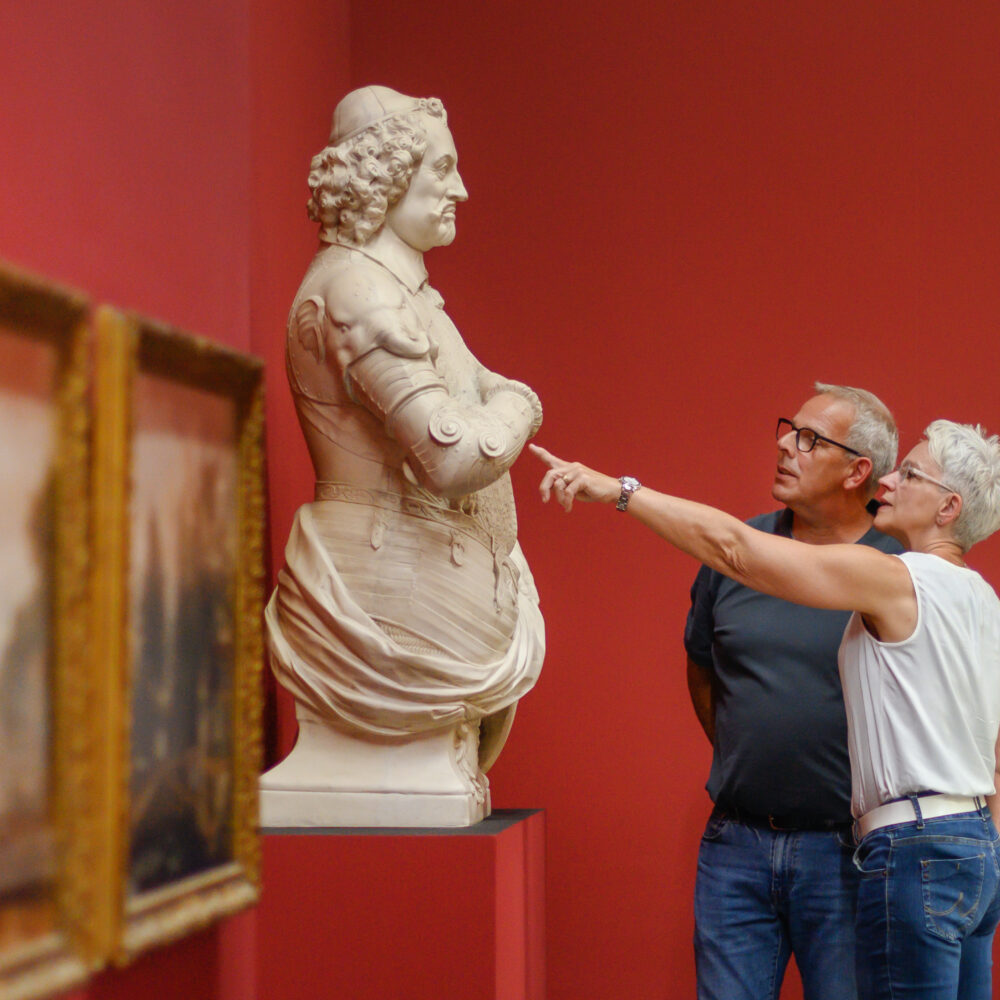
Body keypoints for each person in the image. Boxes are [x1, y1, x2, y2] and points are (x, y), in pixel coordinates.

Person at [531, 416, 1000, 1000]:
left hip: (913, 848)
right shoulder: (982, 596)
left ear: (948, 508)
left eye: (909, 473)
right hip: (974, 846)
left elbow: (736, 549)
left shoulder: (897, 578)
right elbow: (991, 748)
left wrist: (623, 492)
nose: (889, 480)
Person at [261, 86, 545, 827]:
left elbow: (477, 399)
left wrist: (497, 400)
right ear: (387, 181)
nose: (461, 189)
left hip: (428, 578)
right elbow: (452, 457)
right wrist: (523, 402)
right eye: (441, 170)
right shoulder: (357, 292)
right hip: (386, 595)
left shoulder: (408, 294)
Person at [685, 385, 901, 1000]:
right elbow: (702, 666)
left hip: (850, 853)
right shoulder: (736, 552)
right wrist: (751, 755)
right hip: (735, 846)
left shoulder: (897, 569)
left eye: (809, 439)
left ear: (858, 471)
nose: (785, 444)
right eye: (789, 429)